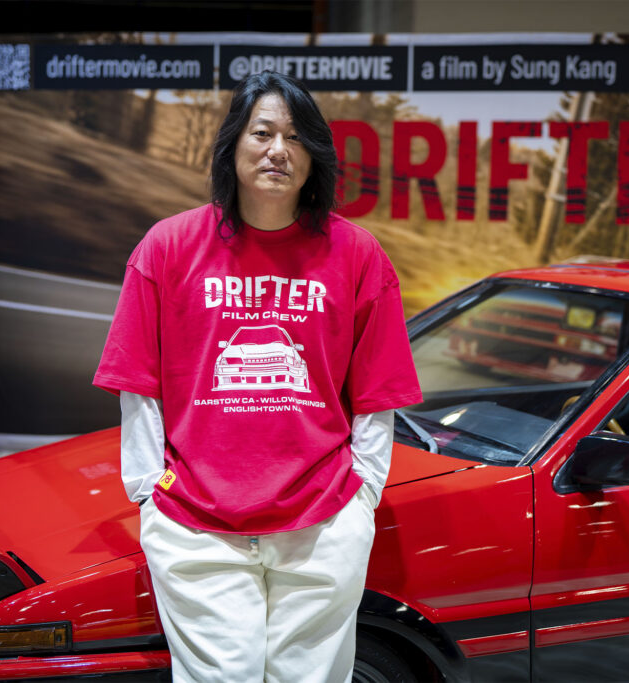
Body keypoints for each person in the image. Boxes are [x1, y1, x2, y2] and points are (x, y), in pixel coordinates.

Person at [93, 70, 422, 683]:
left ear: (315, 155)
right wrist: (147, 490)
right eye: (263, 132)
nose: (278, 150)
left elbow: (378, 396)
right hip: (196, 520)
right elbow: (137, 384)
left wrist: (363, 494)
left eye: (296, 138)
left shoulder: (356, 255)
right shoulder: (167, 247)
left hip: (324, 519)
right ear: (232, 146)